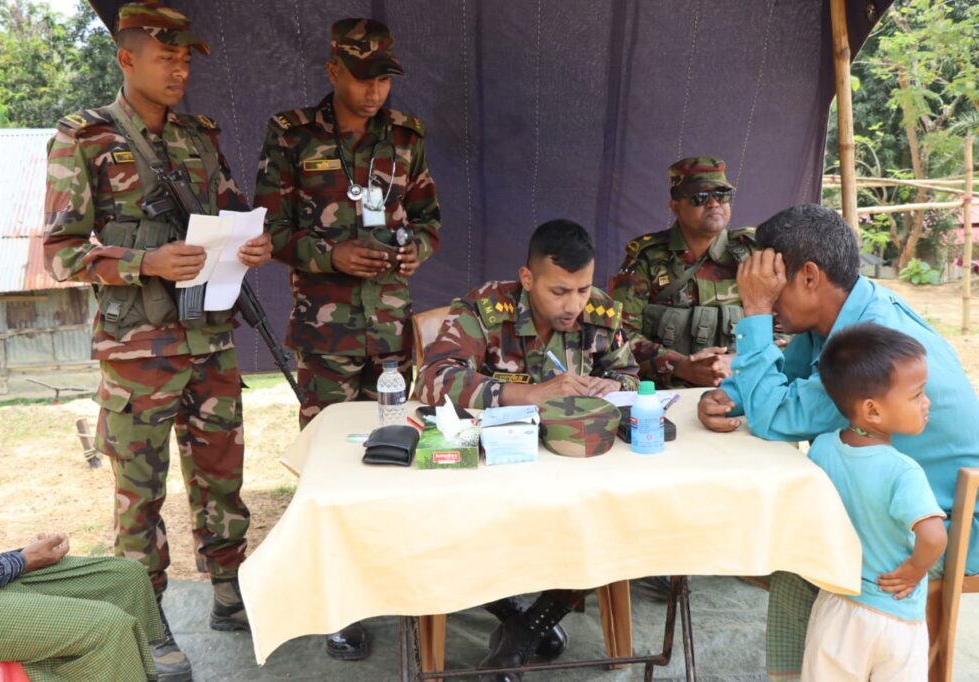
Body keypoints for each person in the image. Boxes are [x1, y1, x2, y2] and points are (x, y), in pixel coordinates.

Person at [43, 4, 273, 678]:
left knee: (222, 479)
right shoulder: (84, 138)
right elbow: (60, 254)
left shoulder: (200, 137)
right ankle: (148, 620)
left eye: (185, 60)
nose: (180, 71)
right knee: (139, 496)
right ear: (126, 59)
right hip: (137, 352)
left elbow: (232, 212)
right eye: (166, 57)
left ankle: (229, 592)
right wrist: (146, 262)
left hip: (209, 338)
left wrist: (251, 243)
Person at [695, 204, 979, 679]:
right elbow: (784, 382)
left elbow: (775, 417)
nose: (766, 295)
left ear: (809, 276)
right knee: (800, 540)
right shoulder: (846, 312)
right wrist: (730, 395)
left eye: (773, 284)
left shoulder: (868, 349)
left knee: (801, 555)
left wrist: (756, 311)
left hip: (947, 530)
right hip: (901, 508)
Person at [253, 17, 440, 661]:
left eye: (383, 80)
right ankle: (337, 603)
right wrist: (330, 255)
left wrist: (417, 250)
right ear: (334, 70)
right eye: (362, 79)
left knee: (392, 453)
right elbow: (269, 230)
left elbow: (428, 217)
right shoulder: (292, 134)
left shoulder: (407, 136)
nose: (374, 93)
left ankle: (389, 579)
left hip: (389, 332)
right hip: (325, 332)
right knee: (328, 468)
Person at [419, 219, 639, 682]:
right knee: (449, 526)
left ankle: (522, 631)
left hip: (571, 472)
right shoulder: (486, 309)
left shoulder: (600, 312)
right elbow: (436, 379)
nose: (574, 305)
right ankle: (517, 615)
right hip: (493, 474)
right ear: (526, 278)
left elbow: (629, 374)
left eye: (582, 290)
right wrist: (528, 394)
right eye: (559, 291)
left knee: (609, 522)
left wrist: (612, 384)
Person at [803, 323, 947, 681]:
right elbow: (933, 537)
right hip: (894, 614)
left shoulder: (822, 448)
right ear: (873, 411)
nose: (927, 403)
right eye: (917, 395)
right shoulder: (903, 470)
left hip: (836, 608)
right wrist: (915, 570)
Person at [608, 156, 756, 388]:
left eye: (722, 195)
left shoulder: (752, 256)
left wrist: (740, 361)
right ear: (675, 207)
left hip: (740, 389)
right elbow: (618, 334)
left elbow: (787, 330)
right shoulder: (647, 259)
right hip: (666, 395)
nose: (714, 204)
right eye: (700, 197)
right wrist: (681, 366)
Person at [0, 521, 164, 681]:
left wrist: (23, 557)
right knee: (108, 626)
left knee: (125, 576)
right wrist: (22, 560)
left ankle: (138, 669)